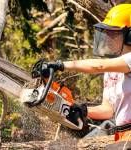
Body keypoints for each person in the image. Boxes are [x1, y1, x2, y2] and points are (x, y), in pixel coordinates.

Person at [42, 4, 131, 148]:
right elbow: (108, 110)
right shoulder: (111, 69)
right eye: (107, 33)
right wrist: (82, 110)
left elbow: (98, 66)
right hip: (122, 135)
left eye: (113, 34)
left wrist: (60, 65)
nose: (108, 38)